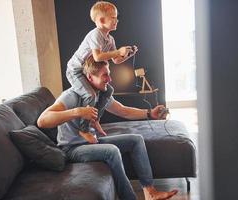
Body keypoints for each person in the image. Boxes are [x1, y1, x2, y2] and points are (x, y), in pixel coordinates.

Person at [37, 56, 177, 200]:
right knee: (112, 151)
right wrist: (77, 111)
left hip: (91, 142)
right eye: (105, 75)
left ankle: (150, 192)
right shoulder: (71, 96)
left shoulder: (100, 93)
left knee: (136, 140)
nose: (110, 79)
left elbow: (124, 111)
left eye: (108, 74)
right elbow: (42, 121)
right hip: (72, 148)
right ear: (90, 77)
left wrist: (149, 113)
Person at [66, 1, 137, 136]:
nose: (117, 20)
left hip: (89, 71)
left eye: (117, 17)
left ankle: (95, 119)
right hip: (75, 70)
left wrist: (127, 54)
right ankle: (84, 129)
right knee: (90, 95)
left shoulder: (110, 39)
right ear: (102, 20)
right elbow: (98, 57)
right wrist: (118, 51)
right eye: (113, 17)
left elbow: (116, 60)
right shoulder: (96, 34)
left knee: (108, 90)